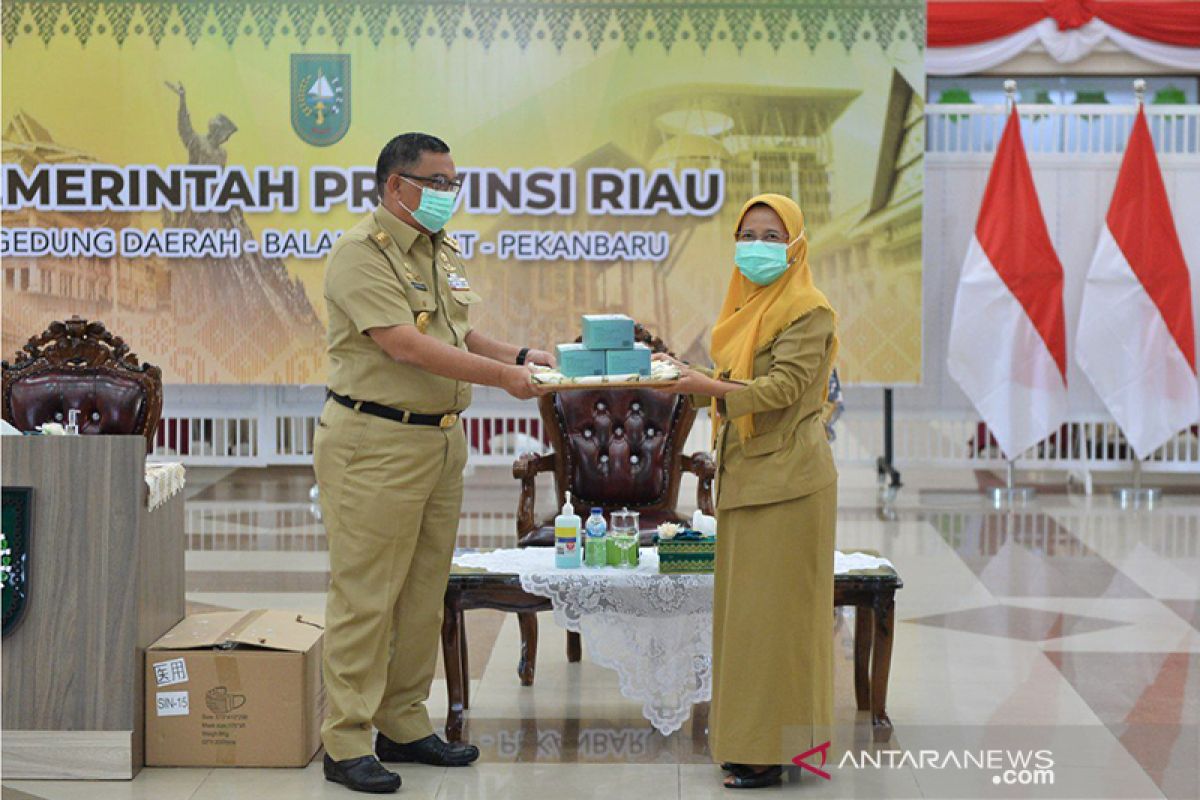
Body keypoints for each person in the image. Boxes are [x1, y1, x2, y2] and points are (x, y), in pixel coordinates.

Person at [315, 132, 554, 794]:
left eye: (455, 183)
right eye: (439, 182)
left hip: (439, 441)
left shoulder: (438, 250)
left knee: (423, 594)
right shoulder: (360, 253)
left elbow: (455, 331)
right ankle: (346, 739)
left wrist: (518, 356)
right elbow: (407, 346)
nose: (451, 194)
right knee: (366, 595)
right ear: (397, 185)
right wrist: (501, 381)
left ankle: (404, 722)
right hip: (374, 443)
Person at [654, 193, 838, 789]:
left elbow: (783, 387)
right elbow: (733, 382)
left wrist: (703, 383)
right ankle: (750, 742)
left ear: (795, 244)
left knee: (779, 625)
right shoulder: (744, 307)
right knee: (746, 625)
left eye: (770, 235)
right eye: (748, 234)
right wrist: (687, 375)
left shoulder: (809, 309)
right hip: (747, 476)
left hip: (788, 482)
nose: (756, 246)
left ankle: (772, 751)